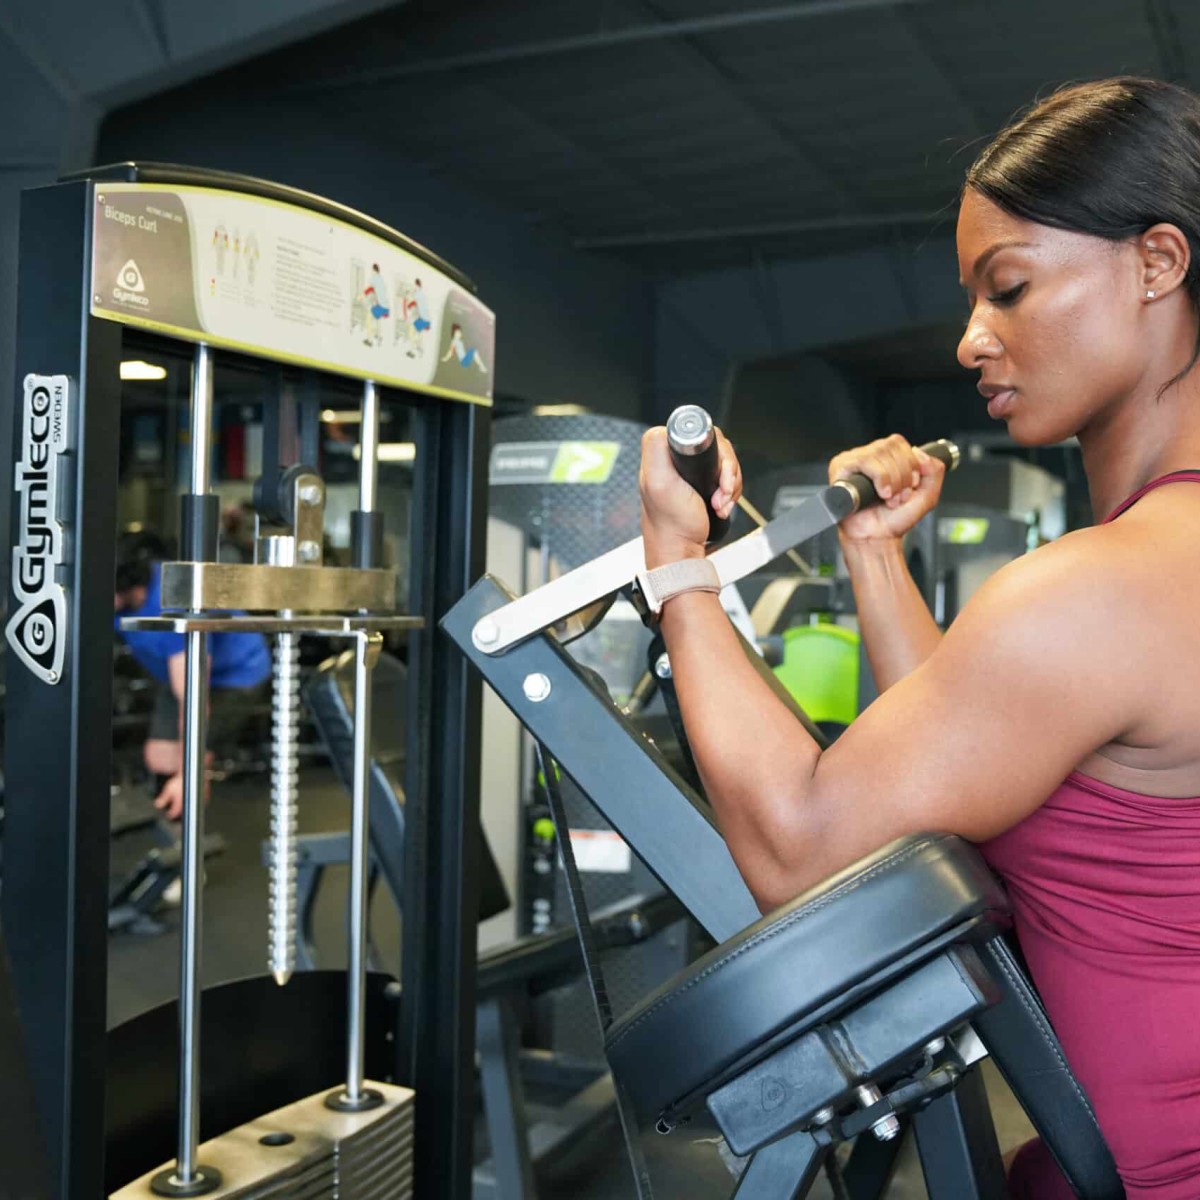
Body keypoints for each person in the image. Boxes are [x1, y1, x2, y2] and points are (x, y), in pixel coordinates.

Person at [638, 77, 1200, 1199]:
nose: (970, 340)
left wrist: (676, 565)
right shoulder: (1149, 573)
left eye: (1010, 288)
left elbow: (799, 850)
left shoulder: (1109, 584)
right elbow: (980, 743)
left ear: (1156, 263)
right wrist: (875, 552)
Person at [114, 531, 271, 821]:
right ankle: (169, 818)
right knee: (159, 758)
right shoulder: (118, 600)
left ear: (130, 588)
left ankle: (193, 828)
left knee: (191, 769)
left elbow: (192, 699)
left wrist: (188, 774)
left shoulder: (173, 605)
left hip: (237, 673)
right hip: (173, 674)